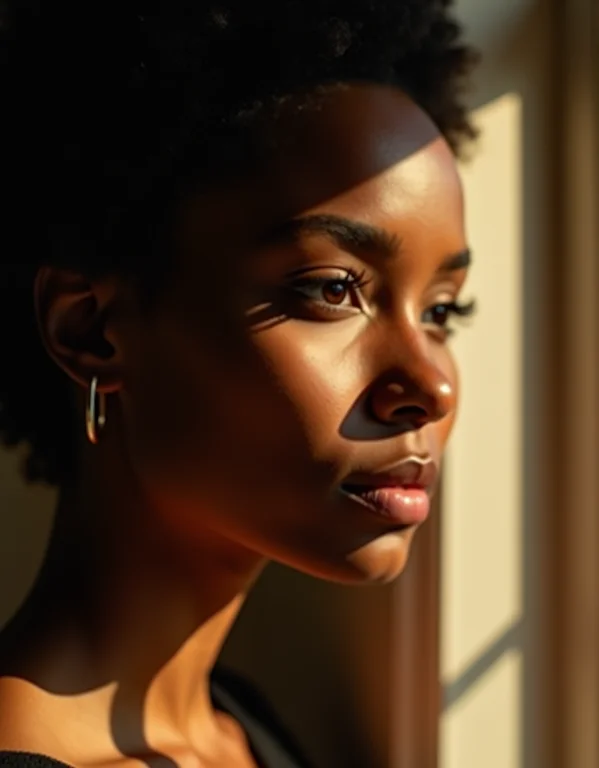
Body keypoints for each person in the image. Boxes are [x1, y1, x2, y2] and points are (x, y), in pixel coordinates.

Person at [0, 2, 478, 766]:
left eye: (442, 310)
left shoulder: (241, 731)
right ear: (88, 330)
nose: (432, 386)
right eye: (331, 289)